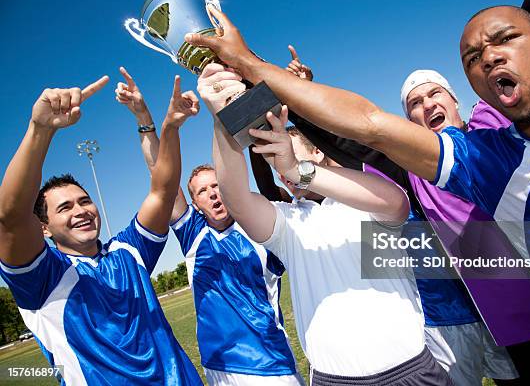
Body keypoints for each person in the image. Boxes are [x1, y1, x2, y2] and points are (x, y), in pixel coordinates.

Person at [185, 2, 530, 386]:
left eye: (434, 95)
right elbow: (359, 133)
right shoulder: (434, 166)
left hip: (526, 314)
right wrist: (263, 102)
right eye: (414, 104)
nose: (426, 106)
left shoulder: (494, 137)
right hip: (448, 321)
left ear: (461, 101)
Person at [200, 64, 452, 385]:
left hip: (411, 371)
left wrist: (298, 169)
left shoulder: (360, 198)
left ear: (317, 152)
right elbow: (235, 197)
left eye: (283, 156)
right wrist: (223, 122)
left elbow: (395, 202)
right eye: (275, 165)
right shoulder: (287, 222)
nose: (280, 172)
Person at [0, 75, 203, 384]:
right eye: (64, 207)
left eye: (84, 201)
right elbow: (10, 217)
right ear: (44, 228)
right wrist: (40, 130)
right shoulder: (40, 279)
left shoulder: (128, 250)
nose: (80, 211)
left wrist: (167, 127)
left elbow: (163, 190)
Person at [114, 67, 303, 386]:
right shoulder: (193, 234)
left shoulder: (261, 228)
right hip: (218, 370)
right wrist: (144, 119)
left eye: (217, 185)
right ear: (195, 204)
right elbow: (161, 175)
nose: (213, 193)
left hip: (271, 366)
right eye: (202, 190)